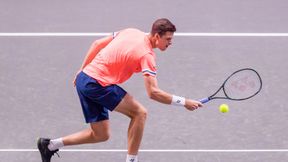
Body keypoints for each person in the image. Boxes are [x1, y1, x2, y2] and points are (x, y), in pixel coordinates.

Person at [37, 18, 203, 162]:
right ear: (157, 36)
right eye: (168, 39)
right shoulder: (147, 55)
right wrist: (184, 102)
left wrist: (81, 70)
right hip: (97, 84)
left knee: (101, 134)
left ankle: (50, 145)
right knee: (140, 113)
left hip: (84, 80)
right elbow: (153, 92)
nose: (170, 43)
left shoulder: (132, 31)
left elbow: (96, 44)